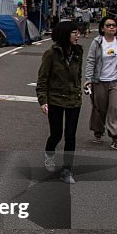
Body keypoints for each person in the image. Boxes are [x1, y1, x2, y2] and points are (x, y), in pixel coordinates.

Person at [36, 21, 84, 184]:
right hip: (55, 99)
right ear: (65, 34)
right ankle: (49, 154)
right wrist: (43, 100)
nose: (78, 36)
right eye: (74, 33)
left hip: (74, 100)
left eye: (78, 33)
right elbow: (42, 79)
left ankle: (67, 170)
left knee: (70, 135)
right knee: (56, 134)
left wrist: (80, 88)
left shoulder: (78, 52)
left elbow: (78, 74)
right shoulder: (51, 54)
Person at [85, 15, 117, 151]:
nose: (111, 27)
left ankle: (116, 138)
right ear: (102, 28)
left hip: (115, 81)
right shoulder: (97, 42)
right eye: (108, 25)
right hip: (99, 81)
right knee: (100, 108)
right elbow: (91, 61)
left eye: (114, 25)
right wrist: (88, 79)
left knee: (115, 109)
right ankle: (98, 131)